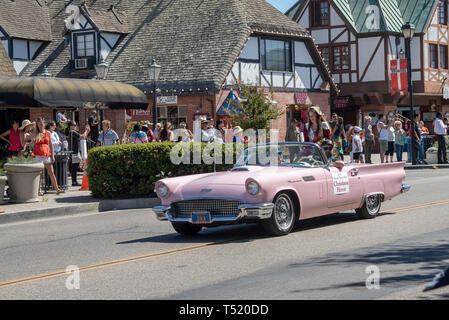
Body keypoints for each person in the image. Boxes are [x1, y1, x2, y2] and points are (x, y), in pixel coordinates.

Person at [30, 118, 64, 195]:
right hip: (38, 154)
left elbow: (50, 144)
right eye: (39, 124)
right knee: (40, 173)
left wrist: (53, 156)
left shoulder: (47, 133)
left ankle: (57, 189)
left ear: (44, 124)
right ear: (37, 125)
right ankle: (38, 191)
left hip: (46, 153)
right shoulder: (36, 133)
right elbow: (28, 139)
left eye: (42, 124)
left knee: (51, 172)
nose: (41, 125)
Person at [67, 121, 89, 186]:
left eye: (76, 125)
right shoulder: (72, 132)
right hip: (74, 152)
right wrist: (86, 131)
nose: (75, 126)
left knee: (74, 167)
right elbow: (83, 137)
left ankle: (74, 181)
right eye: (74, 125)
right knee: (74, 168)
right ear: (70, 126)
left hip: (74, 152)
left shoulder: (72, 132)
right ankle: (74, 182)